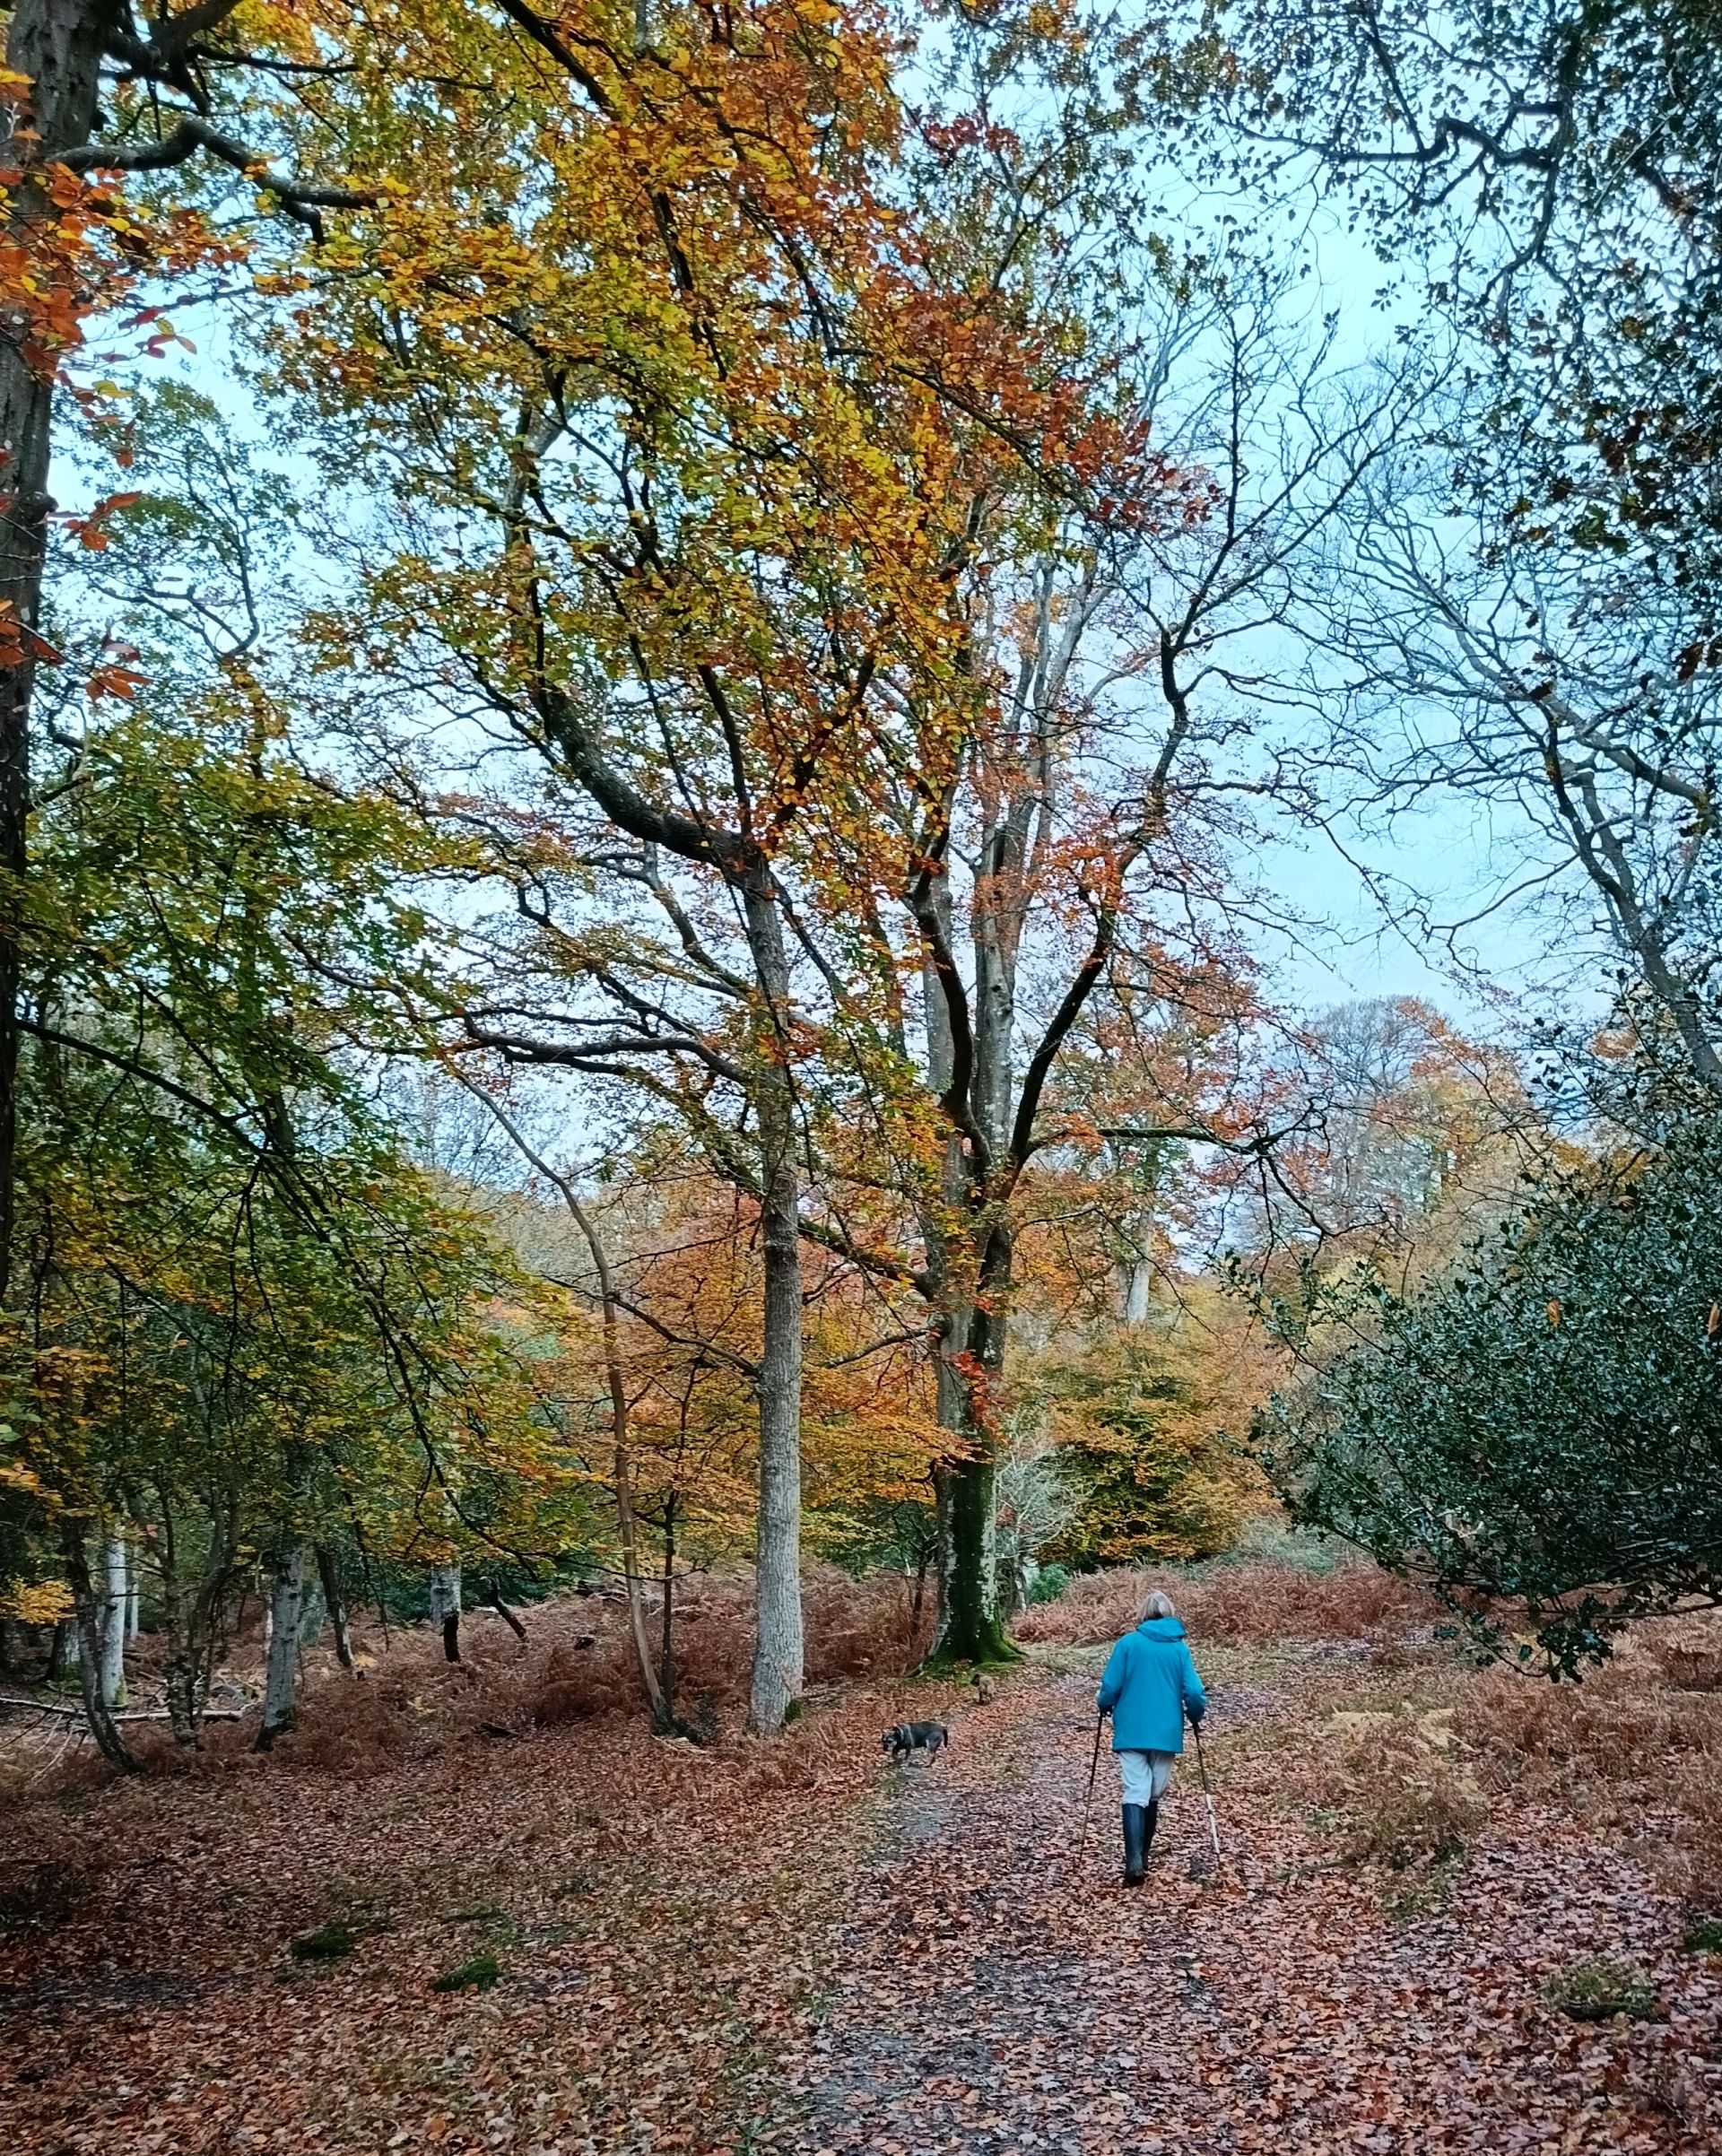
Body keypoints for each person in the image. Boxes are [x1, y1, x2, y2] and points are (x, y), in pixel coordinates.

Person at [1096, 1587, 1207, 1887]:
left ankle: (1134, 1861)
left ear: (1143, 1614)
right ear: (1169, 1613)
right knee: (1153, 1793)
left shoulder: (1128, 1644)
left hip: (1131, 1730)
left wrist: (1104, 1704)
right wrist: (1196, 1714)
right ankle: (1141, 1857)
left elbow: (1110, 1686)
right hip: (1166, 1732)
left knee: (1136, 1791)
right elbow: (1195, 1692)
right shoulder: (1180, 1649)